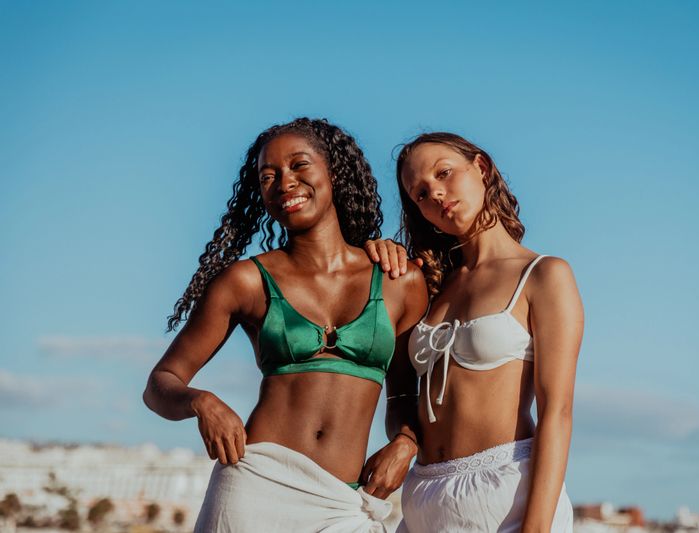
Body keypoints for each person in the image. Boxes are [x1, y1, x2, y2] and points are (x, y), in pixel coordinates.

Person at [143, 118, 427, 533]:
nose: (285, 182)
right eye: (268, 176)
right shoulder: (245, 281)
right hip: (254, 487)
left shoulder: (399, 280)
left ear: (333, 171)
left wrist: (406, 442)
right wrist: (201, 402)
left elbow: (404, 393)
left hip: (344, 501)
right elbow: (159, 383)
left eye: (299, 165)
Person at [366, 132, 583, 533]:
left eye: (444, 173)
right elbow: (400, 396)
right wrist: (376, 255)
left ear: (481, 168)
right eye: (420, 193)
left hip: (505, 494)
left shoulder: (543, 275)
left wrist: (536, 528)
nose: (435, 193)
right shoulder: (428, 285)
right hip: (423, 494)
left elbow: (558, 412)